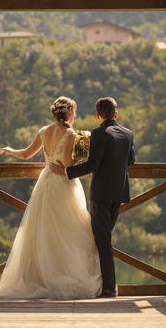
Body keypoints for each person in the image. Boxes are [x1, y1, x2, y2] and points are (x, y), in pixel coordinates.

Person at [0, 96, 102, 300]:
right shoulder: (72, 133)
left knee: (45, 230)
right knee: (68, 229)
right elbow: (66, 164)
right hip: (63, 184)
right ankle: (63, 274)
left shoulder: (44, 131)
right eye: (75, 111)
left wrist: (11, 151)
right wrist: (83, 149)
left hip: (45, 182)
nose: (76, 115)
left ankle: (42, 276)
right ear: (70, 112)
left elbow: (26, 154)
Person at [51, 97, 135, 297]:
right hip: (120, 192)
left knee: (103, 240)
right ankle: (102, 283)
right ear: (116, 114)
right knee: (104, 238)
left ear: (98, 115)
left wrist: (65, 172)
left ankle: (108, 287)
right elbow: (131, 160)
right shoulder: (128, 134)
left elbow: (91, 165)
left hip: (101, 194)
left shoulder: (98, 133)